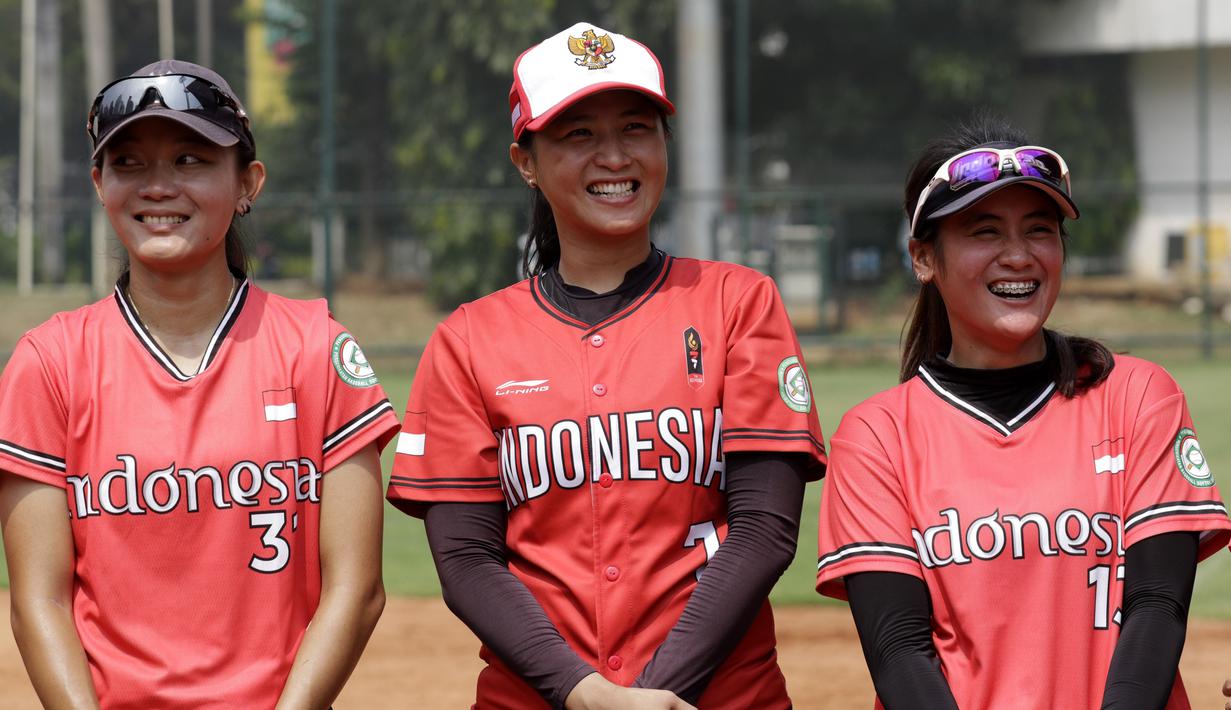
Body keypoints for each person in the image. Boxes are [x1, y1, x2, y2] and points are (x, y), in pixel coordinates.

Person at [386, 22, 826, 710]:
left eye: (635, 128)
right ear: (524, 160)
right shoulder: (469, 339)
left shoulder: (737, 303)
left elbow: (765, 530)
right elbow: (468, 562)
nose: (614, 156)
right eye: (577, 135)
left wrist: (652, 695)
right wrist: (585, 695)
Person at [0, 60, 400, 709]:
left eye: (190, 159)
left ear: (248, 183)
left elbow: (356, 590)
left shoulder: (315, 349)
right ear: (99, 183)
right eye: (129, 164)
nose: (159, 186)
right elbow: (38, 600)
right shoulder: (49, 362)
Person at [815, 115, 1231, 709]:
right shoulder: (877, 436)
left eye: (1040, 229)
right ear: (924, 258)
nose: (1018, 255)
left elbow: (1158, 606)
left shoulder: (1137, 396)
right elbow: (899, 652)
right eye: (984, 232)